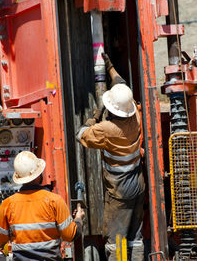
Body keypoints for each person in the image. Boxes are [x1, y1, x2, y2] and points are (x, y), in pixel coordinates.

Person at [76, 78, 145, 259]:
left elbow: (81, 135)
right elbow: (123, 87)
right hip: (138, 184)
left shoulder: (106, 128)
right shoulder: (136, 117)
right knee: (135, 236)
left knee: (115, 240)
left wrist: (95, 117)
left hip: (120, 191)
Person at [0, 151, 85, 260]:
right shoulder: (54, 200)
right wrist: (79, 219)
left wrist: (8, 250)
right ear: (38, 174)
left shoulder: (7, 205)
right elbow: (70, 235)